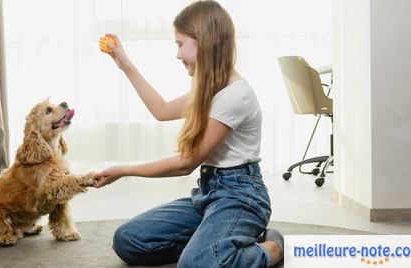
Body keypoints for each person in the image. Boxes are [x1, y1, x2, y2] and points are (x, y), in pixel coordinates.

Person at [94, 1, 283, 267]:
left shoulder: (235, 95)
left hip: (241, 197)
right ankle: (213, 242)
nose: (177, 54)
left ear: (204, 42)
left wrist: (124, 170)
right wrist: (124, 64)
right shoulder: (210, 89)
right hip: (207, 194)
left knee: (195, 264)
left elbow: (185, 163)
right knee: (128, 240)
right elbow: (161, 110)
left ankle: (271, 248)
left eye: (180, 44)